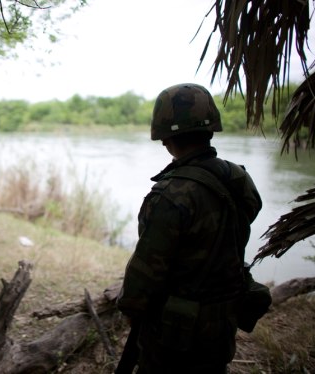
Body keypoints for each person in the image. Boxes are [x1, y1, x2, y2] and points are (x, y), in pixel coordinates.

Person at [115, 83, 262, 373]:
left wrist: (131, 309)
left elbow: (147, 269)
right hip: (223, 320)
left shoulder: (169, 193)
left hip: (175, 331)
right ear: (210, 129)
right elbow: (248, 215)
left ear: (165, 137)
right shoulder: (237, 177)